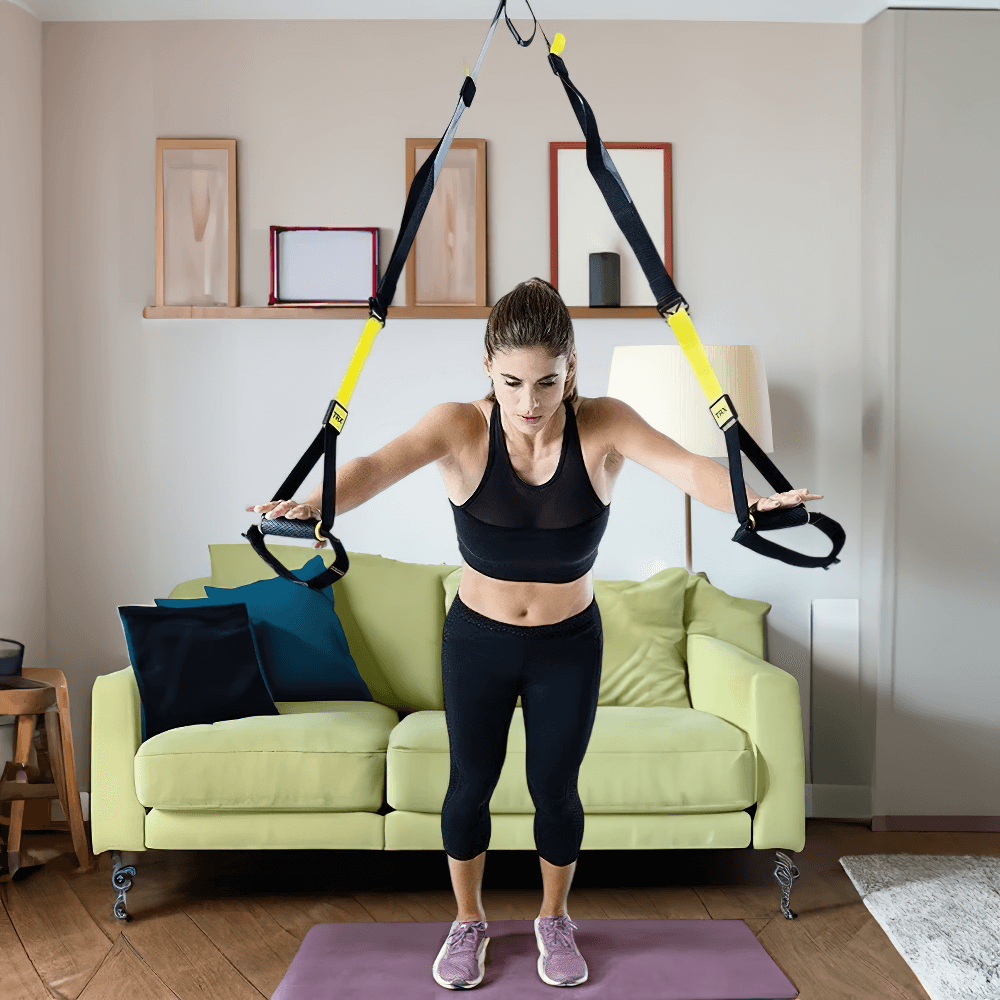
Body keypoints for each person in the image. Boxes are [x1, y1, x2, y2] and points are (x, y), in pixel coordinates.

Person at [247, 277, 821, 989]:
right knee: (469, 788)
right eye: (513, 381)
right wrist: (312, 505)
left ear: (570, 367)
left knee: (555, 790)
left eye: (547, 381)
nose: (529, 402)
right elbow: (372, 466)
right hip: (478, 641)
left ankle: (554, 919)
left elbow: (689, 467)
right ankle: (468, 922)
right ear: (487, 363)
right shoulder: (457, 426)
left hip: (567, 645)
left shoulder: (606, 424)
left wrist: (751, 500)